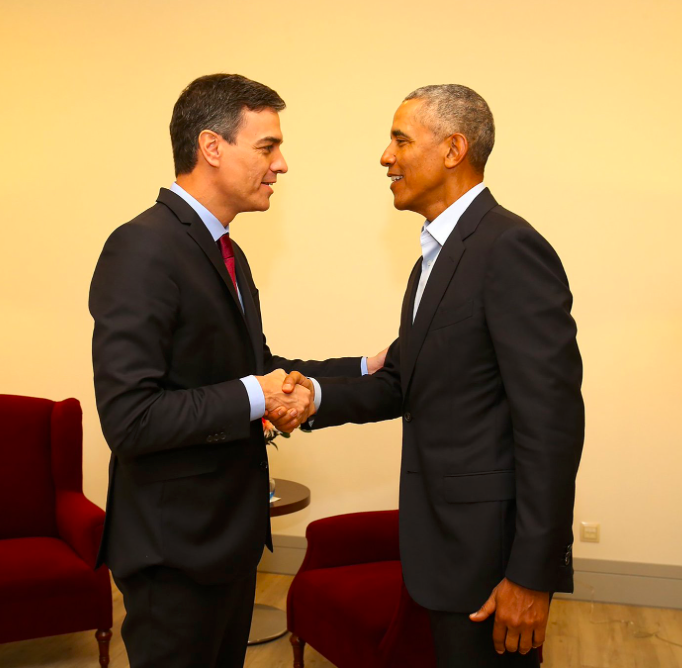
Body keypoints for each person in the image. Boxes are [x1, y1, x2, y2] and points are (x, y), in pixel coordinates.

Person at [88, 73, 385, 667]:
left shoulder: (225, 249)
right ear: (213, 147)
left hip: (226, 543)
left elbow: (257, 370)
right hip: (176, 555)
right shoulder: (142, 248)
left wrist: (364, 367)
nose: (281, 164)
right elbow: (130, 418)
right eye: (268, 146)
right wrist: (256, 394)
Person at [290, 85, 585, 667]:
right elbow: (405, 379)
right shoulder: (436, 256)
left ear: (453, 148)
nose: (385, 156)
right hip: (444, 553)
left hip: (490, 559)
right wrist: (311, 397)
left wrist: (532, 575)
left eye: (400, 139)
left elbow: (551, 425)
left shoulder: (509, 248)